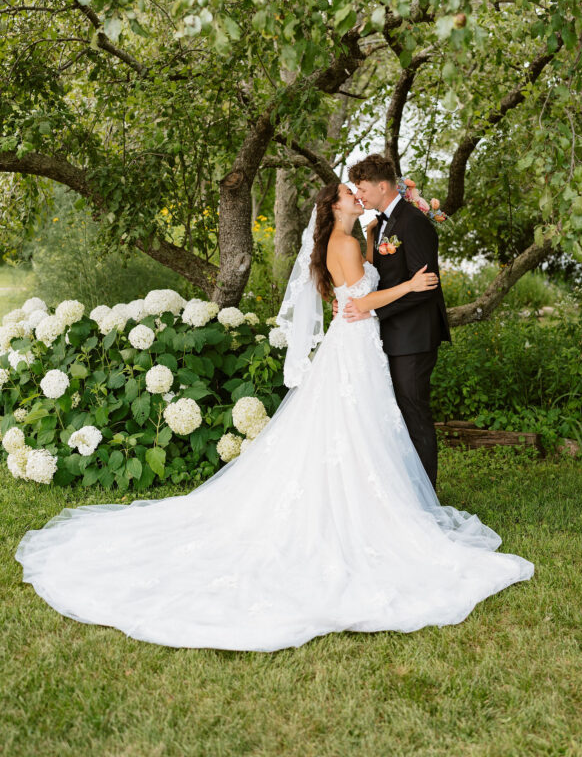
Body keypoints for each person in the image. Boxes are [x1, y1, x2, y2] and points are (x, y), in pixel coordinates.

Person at [14, 182, 534, 652]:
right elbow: (363, 299)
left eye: (359, 192)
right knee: (357, 428)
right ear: (334, 207)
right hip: (355, 345)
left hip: (354, 345)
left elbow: (355, 288)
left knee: (358, 431)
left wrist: (379, 241)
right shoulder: (344, 244)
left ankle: (362, 500)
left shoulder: (353, 239)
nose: (358, 197)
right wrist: (411, 287)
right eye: (350, 195)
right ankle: (362, 511)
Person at [341, 153, 451, 490]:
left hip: (415, 336)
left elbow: (425, 287)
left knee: (414, 414)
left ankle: (426, 495)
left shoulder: (413, 222)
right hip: (394, 334)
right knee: (400, 415)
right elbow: (382, 278)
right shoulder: (383, 223)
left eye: (361, 188)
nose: (358, 195)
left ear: (383, 185)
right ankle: (409, 490)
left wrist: (371, 310)